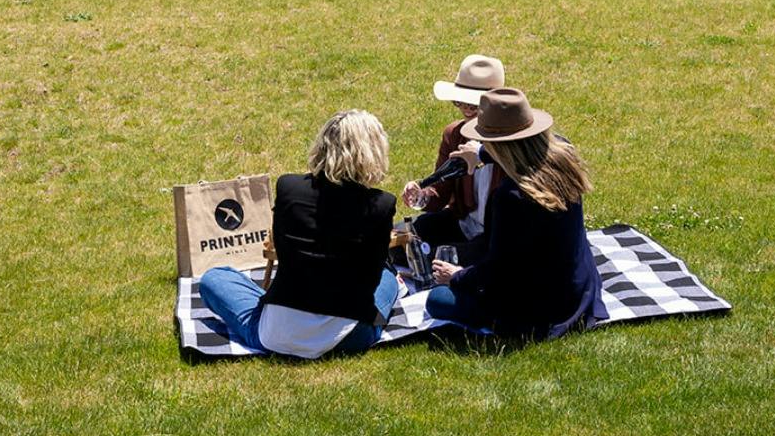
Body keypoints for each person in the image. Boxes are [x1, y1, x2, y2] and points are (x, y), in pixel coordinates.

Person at [199, 110, 400, 358]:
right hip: (348, 337)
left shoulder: (288, 187)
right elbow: (373, 271)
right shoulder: (381, 205)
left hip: (277, 332)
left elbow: (284, 250)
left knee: (214, 279)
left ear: (322, 146)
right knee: (389, 277)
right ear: (373, 153)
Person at [425, 88, 607, 341]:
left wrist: (456, 276)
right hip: (578, 288)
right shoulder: (563, 153)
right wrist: (479, 154)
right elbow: (523, 152)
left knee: (438, 300)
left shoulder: (512, 197)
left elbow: (500, 271)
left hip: (538, 308)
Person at [402, 55, 505, 262]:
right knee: (404, 241)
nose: (466, 109)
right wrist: (422, 195)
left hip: (499, 235)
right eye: (459, 102)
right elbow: (440, 190)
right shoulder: (454, 134)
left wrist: (481, 154)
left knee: (434, 257)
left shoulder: (510, 143)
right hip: (463, 223)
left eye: (474, 104)